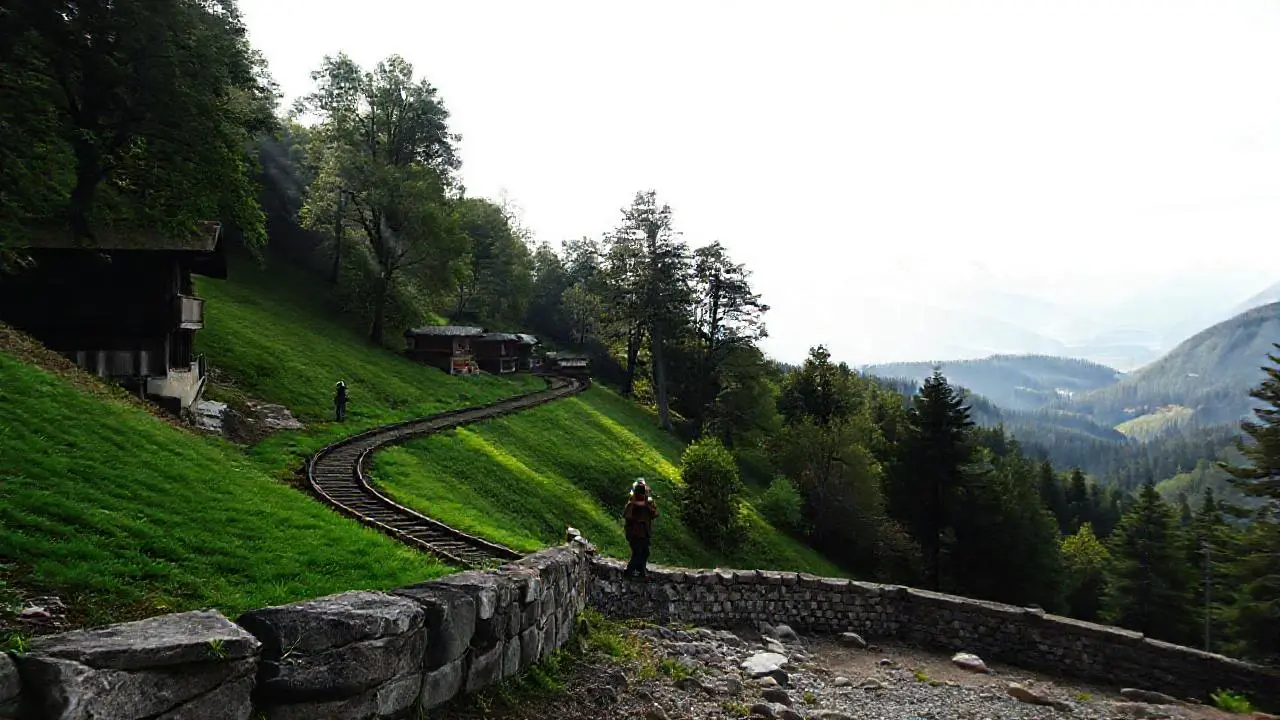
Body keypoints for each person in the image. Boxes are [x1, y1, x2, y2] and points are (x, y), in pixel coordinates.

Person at [622, 478, 658, 578]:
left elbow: (654, 514)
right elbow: (628, 516)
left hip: (644, 533)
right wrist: (637, 504)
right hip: (635, 533)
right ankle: (630, 572)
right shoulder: (631, 505)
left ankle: (641, 571)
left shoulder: (647, 505)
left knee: (645, 553)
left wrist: (648, 503)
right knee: (638, 553)